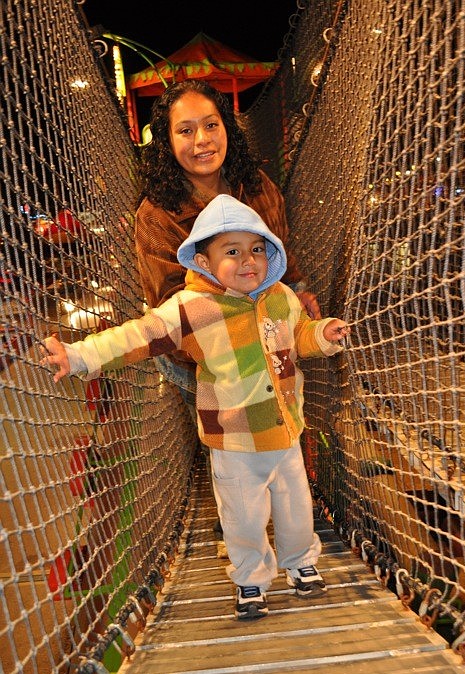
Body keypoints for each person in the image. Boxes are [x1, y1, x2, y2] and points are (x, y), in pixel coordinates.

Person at [42, 195, 347, 621]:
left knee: (297, 506)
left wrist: (324, 335)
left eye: (257, 249)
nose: (248, 261)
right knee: (242, 517)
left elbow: (299, 336)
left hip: (286, 429)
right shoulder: (191, 308)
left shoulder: (280, 298)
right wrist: (79, 357)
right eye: (232, 251)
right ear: (204, 259)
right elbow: (138, 336)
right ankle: (251, 581)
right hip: (234, 439)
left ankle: (300, 562)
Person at [135, 79, 322, 554]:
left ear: (227, 129)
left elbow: (282, 257)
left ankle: (294, 503)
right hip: (203, 343)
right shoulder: (157, 213)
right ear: (167, 140)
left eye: (211, 125)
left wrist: (300, 293)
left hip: (267, 325)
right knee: (233, 423)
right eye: (185, 130)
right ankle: (239, 523)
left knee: (283, 395)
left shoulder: (257, 186)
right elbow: (169, 301)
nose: (201, 141)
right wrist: (237, 322)